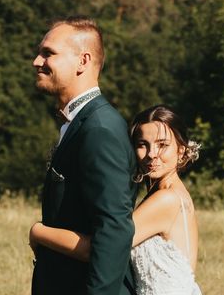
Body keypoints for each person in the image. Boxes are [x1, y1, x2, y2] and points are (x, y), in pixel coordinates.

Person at [30, 105, 202, 295]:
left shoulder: (166, 200)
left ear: (181, 151)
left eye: (163, 145)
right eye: (142, 144)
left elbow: (101, 248)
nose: (152, 153)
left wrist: (39, 232)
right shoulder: (173, 193)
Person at [30, 16, 137, 295]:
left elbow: (113, 230)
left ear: (83, 61)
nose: (36, 61)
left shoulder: (99, 129)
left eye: (48, 53)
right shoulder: (80, 122)